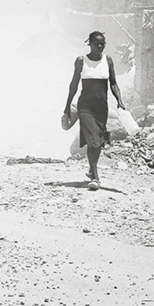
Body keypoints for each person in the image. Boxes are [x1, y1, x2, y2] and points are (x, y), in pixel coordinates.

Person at [64, 31, 124, 190]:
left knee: (98, 141)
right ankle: (96, 178)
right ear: (89, 44)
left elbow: (113, 83)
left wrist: (119, 99)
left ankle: (91, 169)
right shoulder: (81, 61)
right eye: (96, 43)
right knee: (93, 140)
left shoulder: (108, 60)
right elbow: (74, 84)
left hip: (101, 108)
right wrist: (67, 108)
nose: (100, 46)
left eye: (102, 43)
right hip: (85, 107)